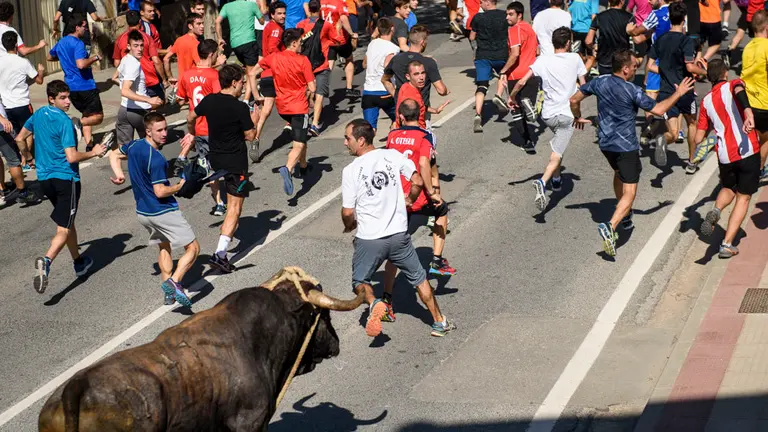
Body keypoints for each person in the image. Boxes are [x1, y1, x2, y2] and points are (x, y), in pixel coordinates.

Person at [569, 50, 694, 256]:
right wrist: (679, 93)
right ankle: (610, 226)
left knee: (618, 173)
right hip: (625, 147)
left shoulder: (599, 82)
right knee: (631, 192)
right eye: (635, 67)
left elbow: (574, 100)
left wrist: (578, 117)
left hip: (605, 144)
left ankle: (624, 215)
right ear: (625, 69)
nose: (637, 69)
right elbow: (659, 109)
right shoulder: (632, 90)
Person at [341, 118, 456, 337]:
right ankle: (439, 321)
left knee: (359, 281)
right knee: (420, 280)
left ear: (361, 140)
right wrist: (410, 199)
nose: (346, 143)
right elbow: (418, 181)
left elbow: (347, 212)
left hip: (370, 239)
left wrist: (350, 226)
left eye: (348, 139)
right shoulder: (393, 155)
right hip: (398, 236)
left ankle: (376, 304)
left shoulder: (351, 170)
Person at [14, 80, 106, 293]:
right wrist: (94, 152)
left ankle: (79, 262)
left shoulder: (38, 114)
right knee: (63, 227)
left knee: (68, 221)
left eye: (68, 97)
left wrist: (28, 157)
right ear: (51, 98)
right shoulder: (64, 122)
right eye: (62, 98)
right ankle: (46, 261)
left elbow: (20, 139)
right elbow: (72, 156)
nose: (67, 102)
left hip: (46, 180)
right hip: (67, 180)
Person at [109, 112, 199, 306]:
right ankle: (174, 283)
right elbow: (160, 191)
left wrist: (119, 175)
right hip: (162, 211)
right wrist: (179, 186)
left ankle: (168, 293)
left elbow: (114, 153)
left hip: (143, 213)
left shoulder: (134, 145)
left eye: (165, 128)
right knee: (193, 248)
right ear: (148, 131)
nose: (165, 133)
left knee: (164, 246)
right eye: (159, 130)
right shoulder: (156, 159)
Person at [509, 27, 587, 211]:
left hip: (548, 115)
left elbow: (521, 82)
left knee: (557, 145)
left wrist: (512, 97)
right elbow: (584, 88)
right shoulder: (575, 58)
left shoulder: (542, 60)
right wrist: (578, 114)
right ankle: (543, 182)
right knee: (557, 153)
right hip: (566, 115)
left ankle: (557, 179)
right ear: (568, 43)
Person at [188, 65, 256, 273]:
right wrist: (256, 118)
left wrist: (191, 133)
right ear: (234, 82)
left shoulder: (209, 100)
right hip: (236, 162)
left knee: (232, 204)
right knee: (234, 207)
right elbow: (251, 136)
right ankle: (220, 254)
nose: (243, 86)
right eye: (242, 82)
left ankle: (226, 232)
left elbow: (191, 117)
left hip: (216, 158)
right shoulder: (240, 108)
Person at [696, 59, 759, 258]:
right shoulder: (732, 84)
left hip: (724, 155)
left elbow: (698, 137)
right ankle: (726, 244)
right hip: (747, 149)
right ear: (725, 74)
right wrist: (747, 111)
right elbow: (740, 90)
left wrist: (706, 139)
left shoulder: (706, 101)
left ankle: (716, 209)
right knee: (743, 196)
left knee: (728, 188)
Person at [387, 99, 456, 277]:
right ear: (420, 115)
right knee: (442, 210)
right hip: (416, 196)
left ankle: (387, 296)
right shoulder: (426, 136)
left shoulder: (392, 135)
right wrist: (432, 192)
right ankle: (437, 261)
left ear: (401, 117)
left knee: (395, 251)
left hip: (396, 196)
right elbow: (425, 163)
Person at [252, 28, 316, 195]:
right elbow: (312, 87)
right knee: (299, 143)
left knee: (299, 136)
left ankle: (303, 166)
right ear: (294, 43)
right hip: (299, 107)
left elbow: (252, 73)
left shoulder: (274, 57)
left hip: (282, 108)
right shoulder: (303, 60)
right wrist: (310, 95)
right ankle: (288, 169)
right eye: (300, 43)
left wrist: (255, 94)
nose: (301, 45)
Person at [648, 2, 707, 171]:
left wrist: (666, 71)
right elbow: (690, 67)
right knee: (692, 123)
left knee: (674, 133)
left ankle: (664, 140)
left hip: (667, 91)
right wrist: (705, 72)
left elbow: (650, 65)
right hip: (685, 88)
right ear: (684, 20)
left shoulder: (660, 39)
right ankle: (691, 161)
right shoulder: (686, 40)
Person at [175, 39, 226, 216]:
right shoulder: (214, 75)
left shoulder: (187, 74)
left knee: (209, 165)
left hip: (198, 128)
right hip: (214, 127)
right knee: (223, 162)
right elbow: (221, 99)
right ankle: (229, 195)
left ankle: (219, 202)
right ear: (211, 55)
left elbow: (180, 98)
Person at [48, 15, 105, 152]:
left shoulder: (61, 42)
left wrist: (64, 58)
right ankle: (76, 124)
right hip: (85, 85)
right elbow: (81, 64)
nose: (85, 29)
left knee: (87, 114)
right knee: (98, 117)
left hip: (71, 88)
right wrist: (95, 58)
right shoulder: (78, 43)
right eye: (84, 26)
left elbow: (49, 57)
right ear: (76, 27)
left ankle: (89, 145)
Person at [382, 25, 450, 136]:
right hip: (421, 116)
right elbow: (441, 90)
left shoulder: (397, 59)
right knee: (423, 147)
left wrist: (396, 95)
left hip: (402, 114)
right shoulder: (427, 62)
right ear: (423, 42)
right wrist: (447, 91)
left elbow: (385, 80)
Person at [297, 0, 345, 137]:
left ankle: (301, 119)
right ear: (320, 9)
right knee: (319, 95)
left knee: (305, 91)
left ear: (309, 9)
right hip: (321, 64)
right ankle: (315, 124)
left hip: (305, 64)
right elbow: (340, 41)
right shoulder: (326, 25)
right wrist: (335, 33)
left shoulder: (301, 25)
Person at [0, 31, 45, 171]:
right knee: (28, 132)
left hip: (6, 105)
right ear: (15, 45)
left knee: (16, 133)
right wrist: (41, 70)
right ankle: (27, 158)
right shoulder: (23, 62)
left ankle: (21, 158)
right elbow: (39, 80)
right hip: (23, 104)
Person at [628, 0, 671, 141]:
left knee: (650, 94)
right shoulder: (679, 12)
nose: (649, 1)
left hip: (658, 57)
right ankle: (676, 129)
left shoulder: (655, 14)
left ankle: (650, 125)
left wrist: (629, 30)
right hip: (674, 57)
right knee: (674, 92)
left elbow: (637, 34)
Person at [116, 30, 164, 146]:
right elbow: (125, 91)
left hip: (124, 110)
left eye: (142, 45)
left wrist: (122, 83)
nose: (140, 49)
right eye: (135, 46)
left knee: (125, 150)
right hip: (139, 111)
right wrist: (149, 99)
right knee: (153, 145)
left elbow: (114, 77)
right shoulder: (135, 64)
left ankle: (116, 159)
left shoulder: (125, 59)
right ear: (128, 46)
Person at [252, 1, 287, 160]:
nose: (283, 16)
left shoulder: (268, 27)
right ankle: (296, 126)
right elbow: (273, 50)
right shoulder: (276, 30)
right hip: (276, 73)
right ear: (272, 15)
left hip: (266, 74)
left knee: (266, 111)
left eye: (284, 13)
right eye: (279, 13)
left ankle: (256, 137)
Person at [469, 0, 509, 133]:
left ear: (488, 2)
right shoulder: (505, 16)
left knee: (482, 85)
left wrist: (475, 51)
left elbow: (472, 36)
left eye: (481, 2)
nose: (480, 5)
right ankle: (498, 95)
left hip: (483, 56)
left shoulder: (478, 18)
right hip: (501, 54)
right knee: (503, 74)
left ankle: (478, 115)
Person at [113, 10, 169, 101]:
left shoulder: (119, 39)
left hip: (130, 81)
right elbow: (156, 61)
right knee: (159, 101)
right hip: (149, 79)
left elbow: (116, 63)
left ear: (127, 23)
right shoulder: (146, 37)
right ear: (140, 22)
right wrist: (164, 80)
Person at [217, 0, 265, 106]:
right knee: (251, 73)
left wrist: (220, 38)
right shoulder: (251, 5)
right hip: (249, 41)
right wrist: (259, 10)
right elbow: (262, 21)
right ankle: (247, 100)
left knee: (248, 71)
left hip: (235, 44)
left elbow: (217, 21)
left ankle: (244, 94)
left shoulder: (227, 6)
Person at [495, 2, 538, 116]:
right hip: (531, 73)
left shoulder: (514, 29)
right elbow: (537, 51)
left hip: (515, 75)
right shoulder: (529, 28)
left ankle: (501, 97)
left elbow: (514, 54)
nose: (507, 17)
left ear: (519, 15)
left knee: (516, 112)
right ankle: (529, 106)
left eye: (510, 14)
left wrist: (503, 71)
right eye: (507, 14)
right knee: (529, 111)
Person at [740, 10, 768, 176]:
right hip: (765, 102)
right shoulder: (767, 46)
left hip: (748, 102)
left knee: (757, 140)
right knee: (764, 140)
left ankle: (754, 170)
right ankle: (756, 172)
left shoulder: (748, 47)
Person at [362, 18, 400, 131]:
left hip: (368, 92)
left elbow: (364, 64)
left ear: (378, 29)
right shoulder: (393, 48)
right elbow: (387, 67)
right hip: (385, 91)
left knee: (369, 129)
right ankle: (395, 138)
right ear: (392, 29)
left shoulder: (372, 44)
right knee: (400, 118)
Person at [0, 98, 38, 205]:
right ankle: (23, 192)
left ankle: (2, 190)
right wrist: (2, 119)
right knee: (13, 160)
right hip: (2, 129)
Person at [395, 61, 450, 130]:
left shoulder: (407, 86)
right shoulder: (409, 96)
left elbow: (419, 106)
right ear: (408, 76)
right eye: (416, 74)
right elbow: (402, 118)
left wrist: (435, 110)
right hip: (414, 133)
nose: (421, 77)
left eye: (423, 73)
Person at [322, 0, 360, 97]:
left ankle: (322, 87)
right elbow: (343, 18)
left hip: (326, 37)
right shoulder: (339, 3)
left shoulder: (320, 2)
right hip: (340, 37)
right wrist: (351, 33)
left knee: (329, 62)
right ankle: (349, 88)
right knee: (349, 58)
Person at [585, 0, 634, 75]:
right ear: (622, 1)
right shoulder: (629, 17)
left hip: (604, 60)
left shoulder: (599, 17)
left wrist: (593, 48)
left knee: (605, 84)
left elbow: (588, 41)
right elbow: (637, 39)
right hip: (622, 60)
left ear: (609, 1)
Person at [164, 13, 209, 83]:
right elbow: (201, 65)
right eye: (198, 24)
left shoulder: (179, 40)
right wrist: (218, 63)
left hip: (182, 82)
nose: (202, 26)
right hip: (194, 82)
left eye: (203, 23)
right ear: (190, 26)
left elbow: (166, 59)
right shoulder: (196, 44)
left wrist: (170, 77)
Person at [569, 0, 598, 65]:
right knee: (591, 55)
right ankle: (589, 71)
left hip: (575, 30)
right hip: (588, 30)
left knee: (579, 54)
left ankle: (582, 70)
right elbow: (594, 16)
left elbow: (569, 12)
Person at [724, 0, 750, 68]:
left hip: (746, 12)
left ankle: (729, 50)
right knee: (761, 35)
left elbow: (725, 1)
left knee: (739, 34)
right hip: (756, 11)